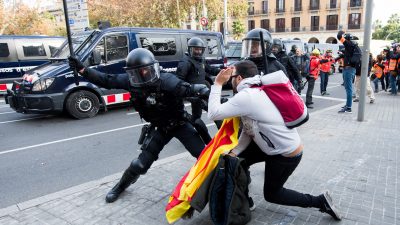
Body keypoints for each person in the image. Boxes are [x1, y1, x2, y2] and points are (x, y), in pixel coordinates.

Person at [68, 48, 211, 203]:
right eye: (137, 72)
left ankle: (217, 185)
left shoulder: (167, 80)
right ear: (131, 73)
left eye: (146, 71)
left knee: (204, 157)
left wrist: (201, 91)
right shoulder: (130, 82)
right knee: (140, 164)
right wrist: (82, 69)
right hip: (160, 128)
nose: (142, 75)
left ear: (154, 68)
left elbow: (187, 89)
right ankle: (120, 187)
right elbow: (106, 80)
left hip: (180, 124)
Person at [207, 60, 342, 221]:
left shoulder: (248, 96)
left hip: (285, 154)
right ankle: (244, 201)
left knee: (273, 194)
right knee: (237, 161)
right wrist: (235, 151)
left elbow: (213, 114)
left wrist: (217, 83)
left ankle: (320, 201)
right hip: (271, 146)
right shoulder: (255, 89)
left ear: (239, 78)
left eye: (231, 77)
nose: (229, 80)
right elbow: (250, 129)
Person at [176, 37, 221, 142]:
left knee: (196, 116)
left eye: (200, 49)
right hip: (194, 94)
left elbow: (210, 69)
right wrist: (188, 92)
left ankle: (192, 133)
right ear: (190, 49)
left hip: (203, 92)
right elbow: (179, 81)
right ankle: (221, 133)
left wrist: (222, 71)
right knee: (214, 112)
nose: (198, 52)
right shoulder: (185, 62)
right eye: (196, 49)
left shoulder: (201, 60)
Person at [336, 31, 361, 113]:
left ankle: (348, 107)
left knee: (349, 89)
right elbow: (346, 55)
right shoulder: (351, 46)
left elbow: (339, 36)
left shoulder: (348, 44)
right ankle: (347, 104)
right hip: (350, 69)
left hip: (348, 69)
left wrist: (342, 31)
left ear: (346, 39)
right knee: (348, 88)